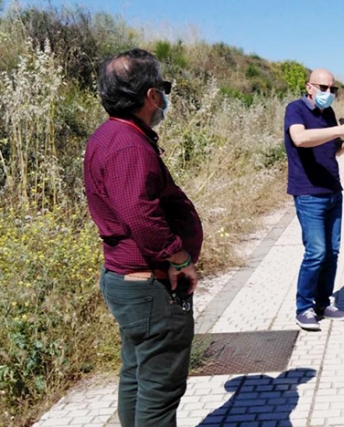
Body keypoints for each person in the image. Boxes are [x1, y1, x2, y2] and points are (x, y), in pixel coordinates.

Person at [84, 49, 203, 426]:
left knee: (137, 376)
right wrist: (178, 258)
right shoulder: (127, 144)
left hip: (130, 281)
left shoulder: (111, 135)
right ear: (151, 95)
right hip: (148, 285)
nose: (165, 98)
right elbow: (141, 214)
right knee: (159, 391)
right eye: (163, 88)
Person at [284, 68, 344, 331]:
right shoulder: (295, 109)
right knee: (316, 252)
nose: (328, 93)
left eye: (333, 89)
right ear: (309, 87)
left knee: (331, 252)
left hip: (333, 191)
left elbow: (332, 151)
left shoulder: (328, 114)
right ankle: (303, 307)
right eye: (323, 88)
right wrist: (338, 129)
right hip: (309, 193)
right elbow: (300, 138)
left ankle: (323, 302)